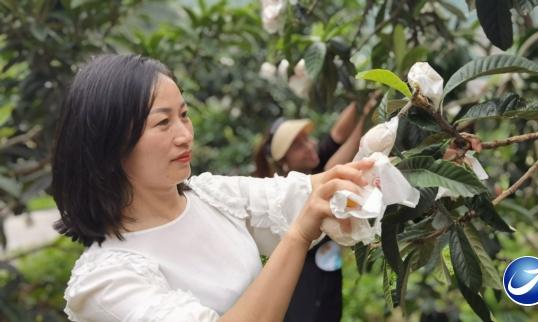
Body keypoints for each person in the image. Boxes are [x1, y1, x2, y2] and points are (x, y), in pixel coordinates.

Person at [52, 54, 373, 322]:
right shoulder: (105, 282)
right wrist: (298, 236)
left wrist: (390, 143)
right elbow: (301, 218)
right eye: (163, 123)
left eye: (184, 115)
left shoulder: (211, 196)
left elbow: (304, 193)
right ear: (110, 143)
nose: (184, 135)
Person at [252, 97, 375, 322]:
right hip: (302, 285)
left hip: (329, 278)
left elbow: (338, 133)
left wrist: (368, 100)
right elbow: (335, 167)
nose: (309, 147)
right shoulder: (291, 190)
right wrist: (366, 118)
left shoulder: (315, 164)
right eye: (298, 145)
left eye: (307, 139)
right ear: (284, 161)